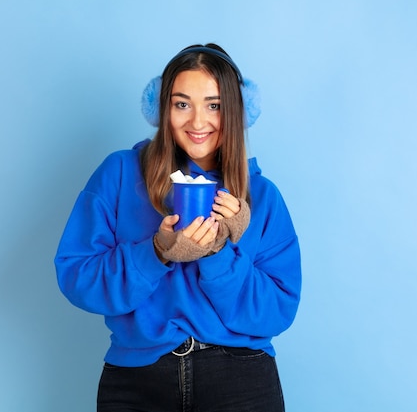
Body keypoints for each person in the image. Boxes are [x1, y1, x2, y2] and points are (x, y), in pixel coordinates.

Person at [54, 43, 301, 412]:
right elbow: (77, 277)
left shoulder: (261, 197)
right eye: (182, 103)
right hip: (137, 381)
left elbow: (277, 310)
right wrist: (155, 253)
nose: (198, 122)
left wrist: (219, 254)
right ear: (162, 110)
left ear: (236, 112)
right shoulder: (119, 173)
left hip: (240, 381)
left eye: (214, 105)